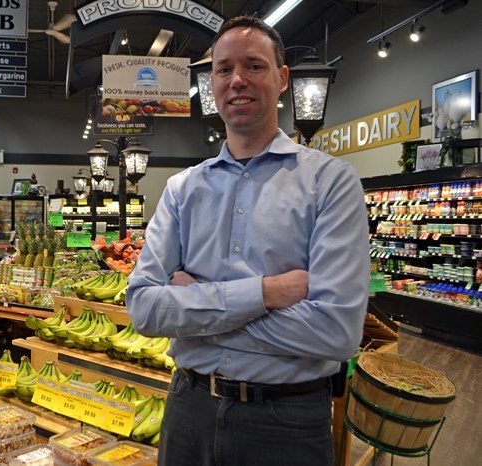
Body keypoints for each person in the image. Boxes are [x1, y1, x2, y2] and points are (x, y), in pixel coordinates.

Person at [125, 15, 370, 466]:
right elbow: (143, 308)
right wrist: (266, 293)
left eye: (254, 66)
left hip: (288, 420)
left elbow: (336, 334)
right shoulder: (182, 190)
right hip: (188, 409)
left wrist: (196, 305)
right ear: (211, 84)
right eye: (223, 69)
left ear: (282, 79)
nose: (237, 80)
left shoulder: (330, 182)